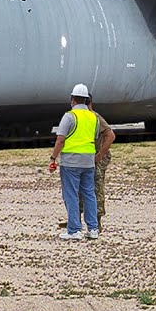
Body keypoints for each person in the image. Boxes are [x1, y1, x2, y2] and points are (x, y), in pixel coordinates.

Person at [48, 83, 102, 240]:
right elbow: (95, 138)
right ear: (86, 100)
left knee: (71, 195)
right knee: (89, 194)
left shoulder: (69, 116)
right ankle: (93, 229)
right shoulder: (94, 118)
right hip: (88, 162)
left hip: (71, 162)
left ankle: (74, 230)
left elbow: (60, 139)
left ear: (72, 99)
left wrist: (53, 158)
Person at [61, 94, 115, 231]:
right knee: (81, 191)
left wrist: (100, 155)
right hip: (85, 158)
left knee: (95, 189)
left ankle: (95, 222)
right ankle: (76, 221)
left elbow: (110, 135)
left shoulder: (94, 116)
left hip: (94, 159)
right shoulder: (84, 116)